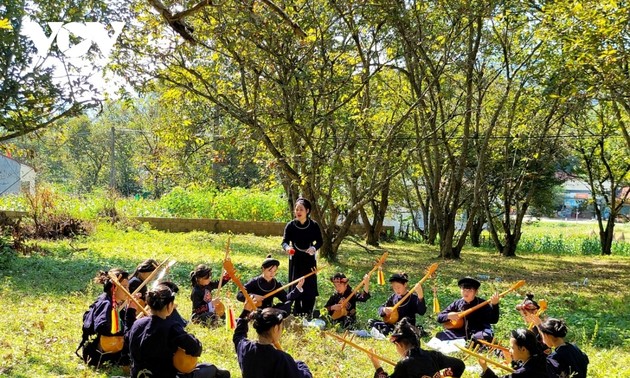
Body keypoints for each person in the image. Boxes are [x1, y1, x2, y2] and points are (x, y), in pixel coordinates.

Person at [128, 283, 230, 378]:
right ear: (169, 305)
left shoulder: (137, 324)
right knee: (210, 369)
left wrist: (130, 311)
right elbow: (195, 348)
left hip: (137, 375)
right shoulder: (171, 327)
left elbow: (127, 338)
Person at [233, 301, 313, 378]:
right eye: (281, 327)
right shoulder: (281, 359)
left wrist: (245, 311)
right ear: (275, 328)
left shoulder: (245, 348)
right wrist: (300, 364)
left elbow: (238, 335)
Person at [77, 268, 136, 368]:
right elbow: (101, 326)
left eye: (128, 287)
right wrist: (124, 332)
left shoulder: (116, 303)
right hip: (97, 354)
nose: (128, 291)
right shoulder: (106, 303)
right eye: (125, 287)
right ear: (114, 288)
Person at [369, 318, 465, 378]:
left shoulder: (404, 364)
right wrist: (447, 375)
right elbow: (460, 365)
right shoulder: (434, 355)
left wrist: (377, 366)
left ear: (399, 344)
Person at [281, 197, 323, 317]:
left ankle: (308, 311)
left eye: (301, 209)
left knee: (309, 284)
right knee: (296, 283)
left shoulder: (313, 225)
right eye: (296, 209)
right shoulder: (290, 225)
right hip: (295, 259)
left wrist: (314, 248)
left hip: (309, 259)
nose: (298, 212)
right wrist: (288, 248)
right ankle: (296, 311)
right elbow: (284, 242)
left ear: (307, 211)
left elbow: (320, 241)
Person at [435, 277, 499, 342]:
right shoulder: (457, 303)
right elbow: (439, 317)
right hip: (460, 332)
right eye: (464, 290)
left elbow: (494, 320)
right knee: (440, 335)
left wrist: (494, 305)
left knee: (482, 338)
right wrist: (448, 316)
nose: (466, 293)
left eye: (470, 290)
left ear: (476, 292)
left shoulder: (482, 303)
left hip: (478, 331)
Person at [236, 255, 304, 313]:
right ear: (263, 269)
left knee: (287, 305)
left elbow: (285, 298)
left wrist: (297, 288)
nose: (272, 273)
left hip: (269, 311)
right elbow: (239, 295)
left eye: (274, 271)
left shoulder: (275, 284)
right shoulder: (254, 282)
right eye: (270, 271)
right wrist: (252, 296)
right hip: (255, 310)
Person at [478, 328, 548, 378]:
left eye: (512, 348)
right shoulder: (540, 360)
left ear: (523, 349)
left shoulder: (524, 372)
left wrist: (485, 368)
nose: (509, 350)